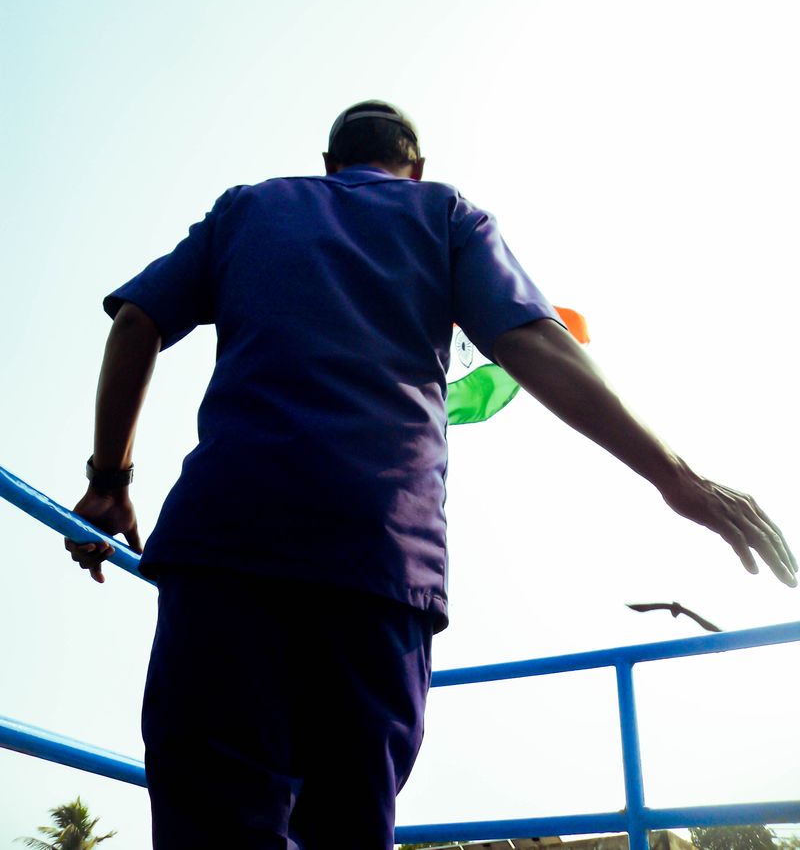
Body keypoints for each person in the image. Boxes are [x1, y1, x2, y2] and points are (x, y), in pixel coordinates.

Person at [67, 100, 797, 850]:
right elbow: (537, 344)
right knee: (346, 827)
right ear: (415, 166)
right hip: (377, 565)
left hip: (224, 552)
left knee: (212, 823)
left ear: (330, 164)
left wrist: (111, 479)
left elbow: (136, 322)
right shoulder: (445, 214)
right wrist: (676, 476)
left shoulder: (248, 208)